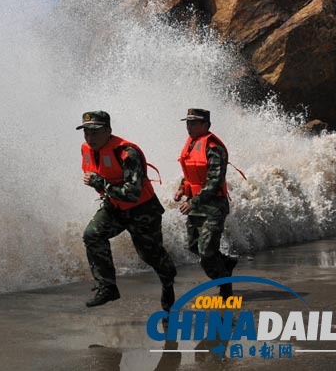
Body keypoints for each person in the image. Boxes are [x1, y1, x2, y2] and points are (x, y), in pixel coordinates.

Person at [79, 111, 177, 310]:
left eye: (95, 132)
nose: (90, 137)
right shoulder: (87, 149)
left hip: (142, 210)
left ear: (108, 131)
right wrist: (102, 187)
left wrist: (100, 183)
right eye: (86, 132)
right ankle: (107, 287)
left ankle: (168, 280)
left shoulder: (127, 153)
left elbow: (132, 194)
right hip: (114, 206)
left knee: (150, 256)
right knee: (92, 235)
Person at [174, 108, 238, 298]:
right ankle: (227, 263)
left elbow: (214, 181)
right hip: (196, 205)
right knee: (194, 246)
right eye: (188, 123)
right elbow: (191, 173)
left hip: (213, 206)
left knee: (207, 252)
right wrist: (182, 189)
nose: (189, 127)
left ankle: (225, 286)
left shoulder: (214, 148)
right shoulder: (192, 144)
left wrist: (193, 202)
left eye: (194, 123)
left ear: (205, 125)